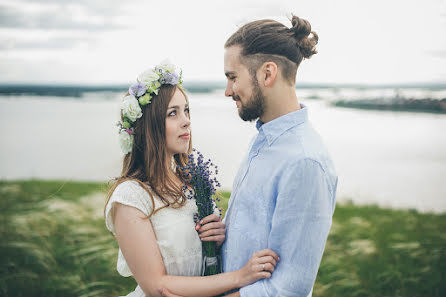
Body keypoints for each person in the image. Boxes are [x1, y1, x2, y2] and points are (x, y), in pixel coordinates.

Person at [162, 14, 338, 297]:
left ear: (267, 74)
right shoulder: (266, 139)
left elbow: (287, 290)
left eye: (233, 77)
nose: (227, 91)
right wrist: (224, 236)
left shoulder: (305, 161)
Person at [104, 61, 280, 297]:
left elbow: (196, 261)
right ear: (148, 126)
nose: (186, 120)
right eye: (172, 113)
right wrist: (240, 276)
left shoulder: (192, 185)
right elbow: (158, 287)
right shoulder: (131, 197)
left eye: (186, 110)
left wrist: (216, 241)